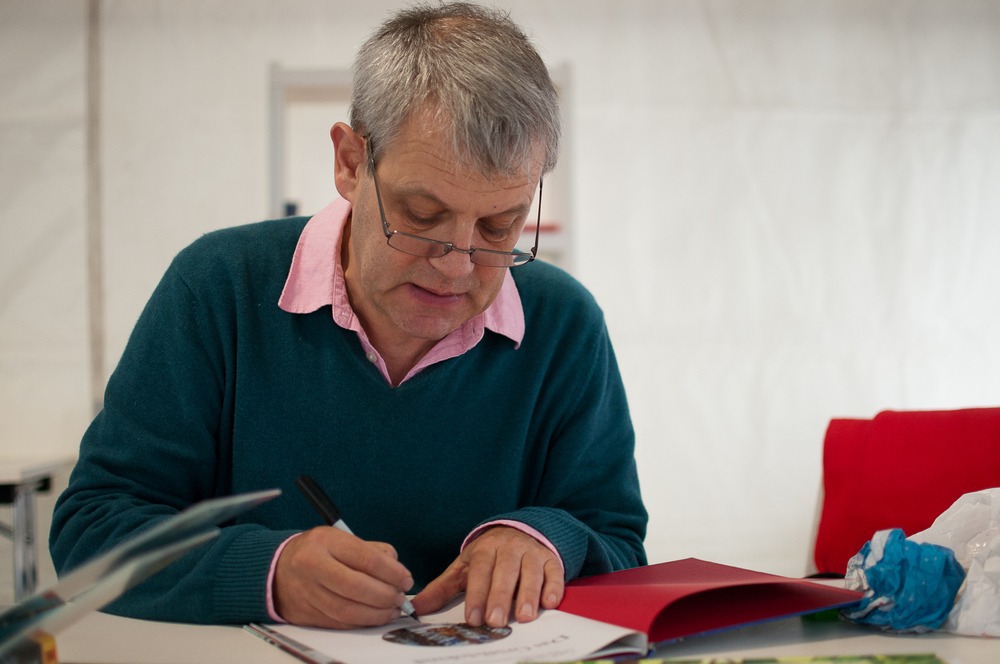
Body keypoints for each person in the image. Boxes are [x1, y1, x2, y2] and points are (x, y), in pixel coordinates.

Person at [50, 2, 646, 630]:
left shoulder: (563, 323)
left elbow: (616, 538)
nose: (456, 266)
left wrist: (544, 538)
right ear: (351, 164)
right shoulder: (219, 288)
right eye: (420, 215)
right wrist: (268, 571)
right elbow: (93, 532)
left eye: (499, 226)